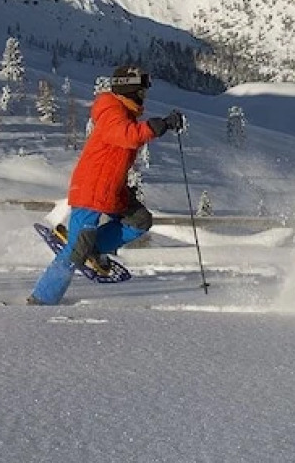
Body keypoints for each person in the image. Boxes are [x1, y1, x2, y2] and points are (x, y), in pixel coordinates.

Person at [28, 65, 185, 306]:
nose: (145, 95)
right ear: (130, 89)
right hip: (92, 188)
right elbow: (126, 135)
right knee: (75, 251)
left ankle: (93, 247)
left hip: (112, 188)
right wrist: (157, 126)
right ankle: (41, 299)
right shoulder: (111, 109)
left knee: (139, 220)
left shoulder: (125, 112)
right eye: (142, 90)